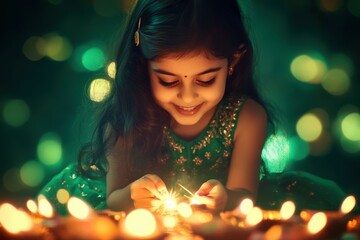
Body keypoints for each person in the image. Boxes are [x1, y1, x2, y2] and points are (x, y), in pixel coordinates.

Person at [39, 0, 348, 216]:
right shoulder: (127, 120)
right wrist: (133, 196)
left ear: (233, 62)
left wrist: (226, 198)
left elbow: (245, 198)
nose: (187, 98)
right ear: (143, 67)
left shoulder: (247, 119)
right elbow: (113, 200)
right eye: (169, 81)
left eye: (205, 79)